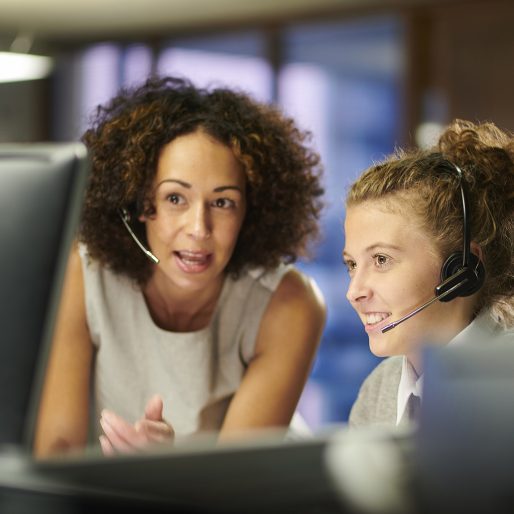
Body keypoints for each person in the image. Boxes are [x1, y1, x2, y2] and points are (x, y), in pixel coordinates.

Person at [34, 76, 326, 456]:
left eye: (223, 203)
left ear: (251, 213)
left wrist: (163, 468)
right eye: (175, 198)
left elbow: (236, 482)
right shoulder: (85, 273)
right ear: (137, 203)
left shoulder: (288, 302)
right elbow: (58, 453)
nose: (199, 229)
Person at [343, 119, 514, 428]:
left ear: (461, 269)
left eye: (381, 259)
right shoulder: (379, 388)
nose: (354, 292)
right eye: (352, 264)